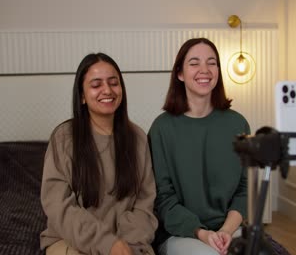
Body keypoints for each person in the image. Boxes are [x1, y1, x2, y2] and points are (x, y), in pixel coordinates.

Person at [40, 53, 158, 255]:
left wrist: (127, 246)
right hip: (72, 240)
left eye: (114, 83)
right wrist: (108, 244)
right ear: (82, 96)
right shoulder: (64, 138)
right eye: (96, 85)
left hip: (129, 244)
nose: (107, 90)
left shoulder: (138, 138)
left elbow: (144, 204)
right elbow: (59, 207)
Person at [148, 38, 250, 255]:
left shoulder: (238, 124)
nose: (205, 70)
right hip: (181, 233)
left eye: (211, 63)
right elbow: (163, 200)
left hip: (230, 229)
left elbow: (245, 189)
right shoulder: (161, 129)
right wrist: (203, 234)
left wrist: (226, 231)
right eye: (194, 63)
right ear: (180, 73)